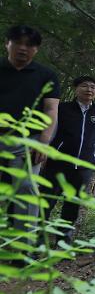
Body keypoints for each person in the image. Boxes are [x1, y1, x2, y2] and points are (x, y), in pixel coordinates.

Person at [0, 25, 60, 243]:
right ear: (8, 43)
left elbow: (51, 110)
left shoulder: (46, 75)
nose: (23, 48)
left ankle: (22, 248)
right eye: (18, 43)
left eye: (30, 45)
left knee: (26, 188)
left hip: (28, 140)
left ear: (36, 49)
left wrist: (44, 142)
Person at [42, 75, 95, 242]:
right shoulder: (62, 109)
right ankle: (36, 243)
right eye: (85, 86)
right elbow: (52, 131)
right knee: (46, 201)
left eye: (93, 87)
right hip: (57, 163)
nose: (89, 90)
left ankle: (63, 242)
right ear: (76, 89)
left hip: (84, 166)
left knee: (72, 205)